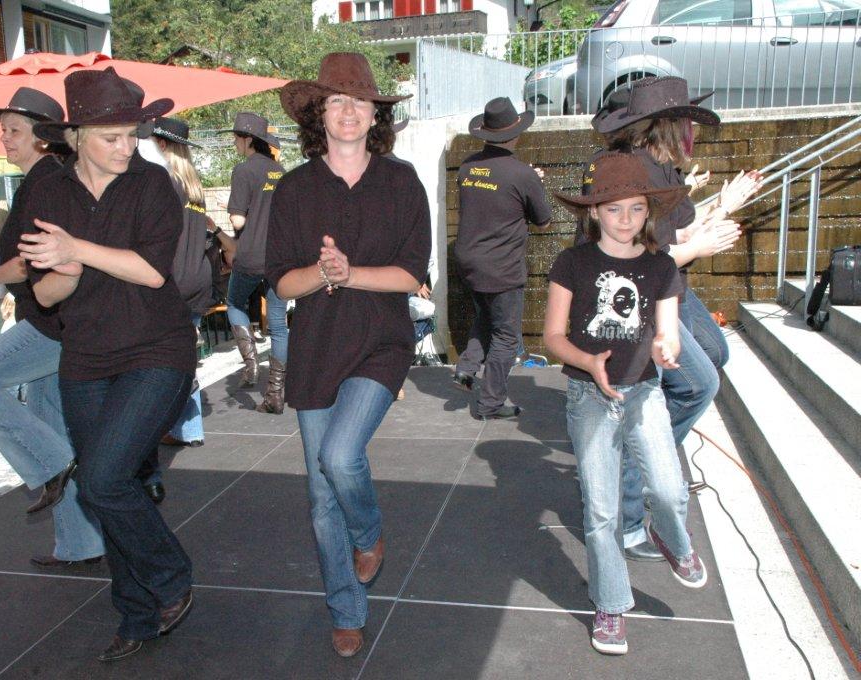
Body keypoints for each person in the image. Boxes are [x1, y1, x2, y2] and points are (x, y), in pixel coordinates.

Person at [18, 67, 197, 662]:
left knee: (101, 479)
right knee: (110, 487)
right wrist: (65, 275)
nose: (127, 147)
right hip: (86, 357)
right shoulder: (48, 193)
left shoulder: (152, 184)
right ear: (75, 137)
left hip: (156, 349)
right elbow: (42, 294)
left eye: (131, 135)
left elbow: (151, 272)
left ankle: (169, 576)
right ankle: (138, 615)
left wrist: (76, 249)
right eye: (111, 137)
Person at [271, 51, 430, 658]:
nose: (348, 111)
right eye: (336, 100)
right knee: (320, 499)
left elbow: (411, 274)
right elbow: (282, 284)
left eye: (359, 101)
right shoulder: (293, 188)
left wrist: (350, 273)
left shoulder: (402, 181)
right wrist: (321, 273)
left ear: (374, 114)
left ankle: (369, 534)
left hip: (381, 342)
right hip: (316, 348)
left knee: (340, 456)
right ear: (319, 113)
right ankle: (345, 610)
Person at [586, 77, 763, 560]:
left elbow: (676, 231)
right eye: (687, 121)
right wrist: (699, 246)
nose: (693, 131)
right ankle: (635, 501)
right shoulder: (629, 172)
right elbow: (635, 259)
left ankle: (648, 464)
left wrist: (723, 206)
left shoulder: (660, 168)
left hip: (666, 292)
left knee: (712, 355)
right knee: (696, 386)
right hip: (638, 303)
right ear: (667, 125)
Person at [544, 152, 708, 656]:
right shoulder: (572, 263)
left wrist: (667, 349)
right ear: (594, 212)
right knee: (601, 510)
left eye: (636, 209)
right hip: (588, 396)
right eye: (614, 209)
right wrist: (588, 362)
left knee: (669, 488)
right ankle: (611, 604)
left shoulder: (661, 266)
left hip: (644, 392)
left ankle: (672, 539)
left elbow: (666, 331)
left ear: (648, 211)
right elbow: (553, 337)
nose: (625, 219)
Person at [0, 86, 104, 571]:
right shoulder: (41, 181)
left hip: (51, 326)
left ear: (42, 137)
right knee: (49, 422)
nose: (4, 139)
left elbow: (33, 259)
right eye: (3, 130)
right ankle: (80, 544)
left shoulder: (48, 182)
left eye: (13, 130)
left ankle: (52, 464)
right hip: (54, 323)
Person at [452, 97, 552, 419]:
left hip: (468, 262)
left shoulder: (467, 168)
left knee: (486, 316)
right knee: (506, 337)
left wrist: (527, 182)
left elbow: (490, 196)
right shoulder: (522, 174)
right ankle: (491, 403)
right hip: (501, 266)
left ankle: (466, 368)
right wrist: (534, 183)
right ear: (516, 133)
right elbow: (543, 221)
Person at [141, 116, 213, 501]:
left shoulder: (162, 182)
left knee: (163, 363)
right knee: (187, 358)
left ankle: (162, 427)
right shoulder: (194, 186)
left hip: (171, 281)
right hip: (197, 278)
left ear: (163, 145)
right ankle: (189, 428)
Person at [223, 111, 289, 413]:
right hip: (279, 257)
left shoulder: (243, 171)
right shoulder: (280, 171)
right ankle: (275, 393)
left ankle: (250, 366)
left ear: (248, 139)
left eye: (236, 138)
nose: (234, 143)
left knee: (234, 302)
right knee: (278, 325)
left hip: (250, 255)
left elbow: (237, 221)